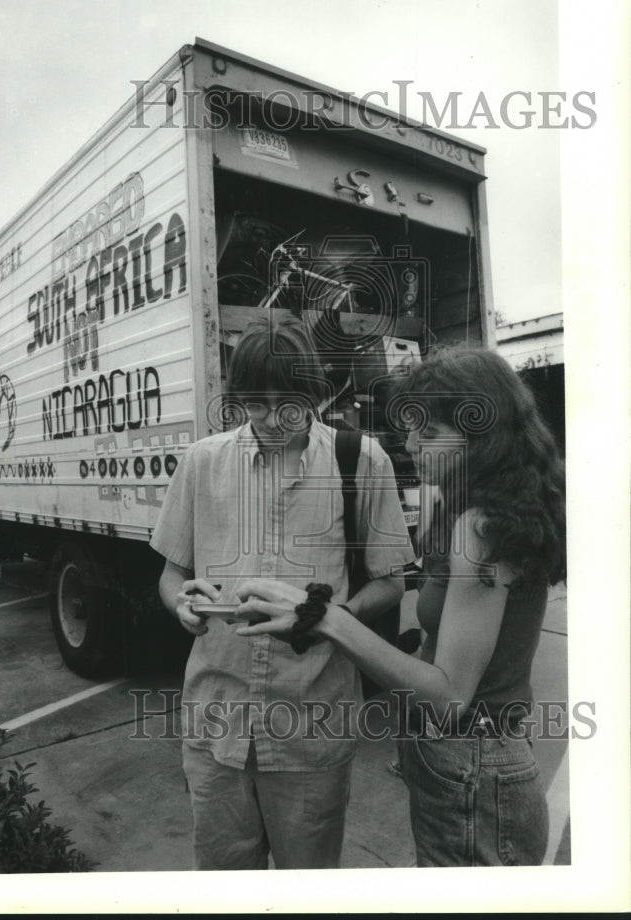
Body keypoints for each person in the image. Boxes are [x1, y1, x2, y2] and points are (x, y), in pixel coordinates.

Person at [236, 346, 566, 867]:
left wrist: (325, 619)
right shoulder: (479, 508)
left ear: (482, 437)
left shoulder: (480, 527)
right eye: (412, 429)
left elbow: (449, 695)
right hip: (465, 764)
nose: (411, 444)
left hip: (475, 769)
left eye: (428, 434)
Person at [151, 316, 414, 870]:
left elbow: (392, 580)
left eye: (289, 403)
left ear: (316, 392)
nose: (272, 419)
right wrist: (183, 602)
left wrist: (328, 618)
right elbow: (171, 574)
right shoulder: (202, 463)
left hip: (311, 729)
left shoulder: (361, 461)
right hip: (215, 726)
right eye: (255, 404)